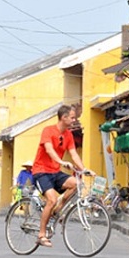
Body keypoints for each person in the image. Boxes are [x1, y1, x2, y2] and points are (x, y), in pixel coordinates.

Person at [32, 104, 91, 248]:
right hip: (41, 171)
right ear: (63, 118)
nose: (74, 120)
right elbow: (49, 149)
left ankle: (58, 210)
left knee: (76, 183)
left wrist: (84, 170)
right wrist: (61, 162)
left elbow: (74, 154)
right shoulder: (48, 131)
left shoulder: (69, 135)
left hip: (55, 172)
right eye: (72, 117)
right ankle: (41, 234)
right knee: (51, 199)